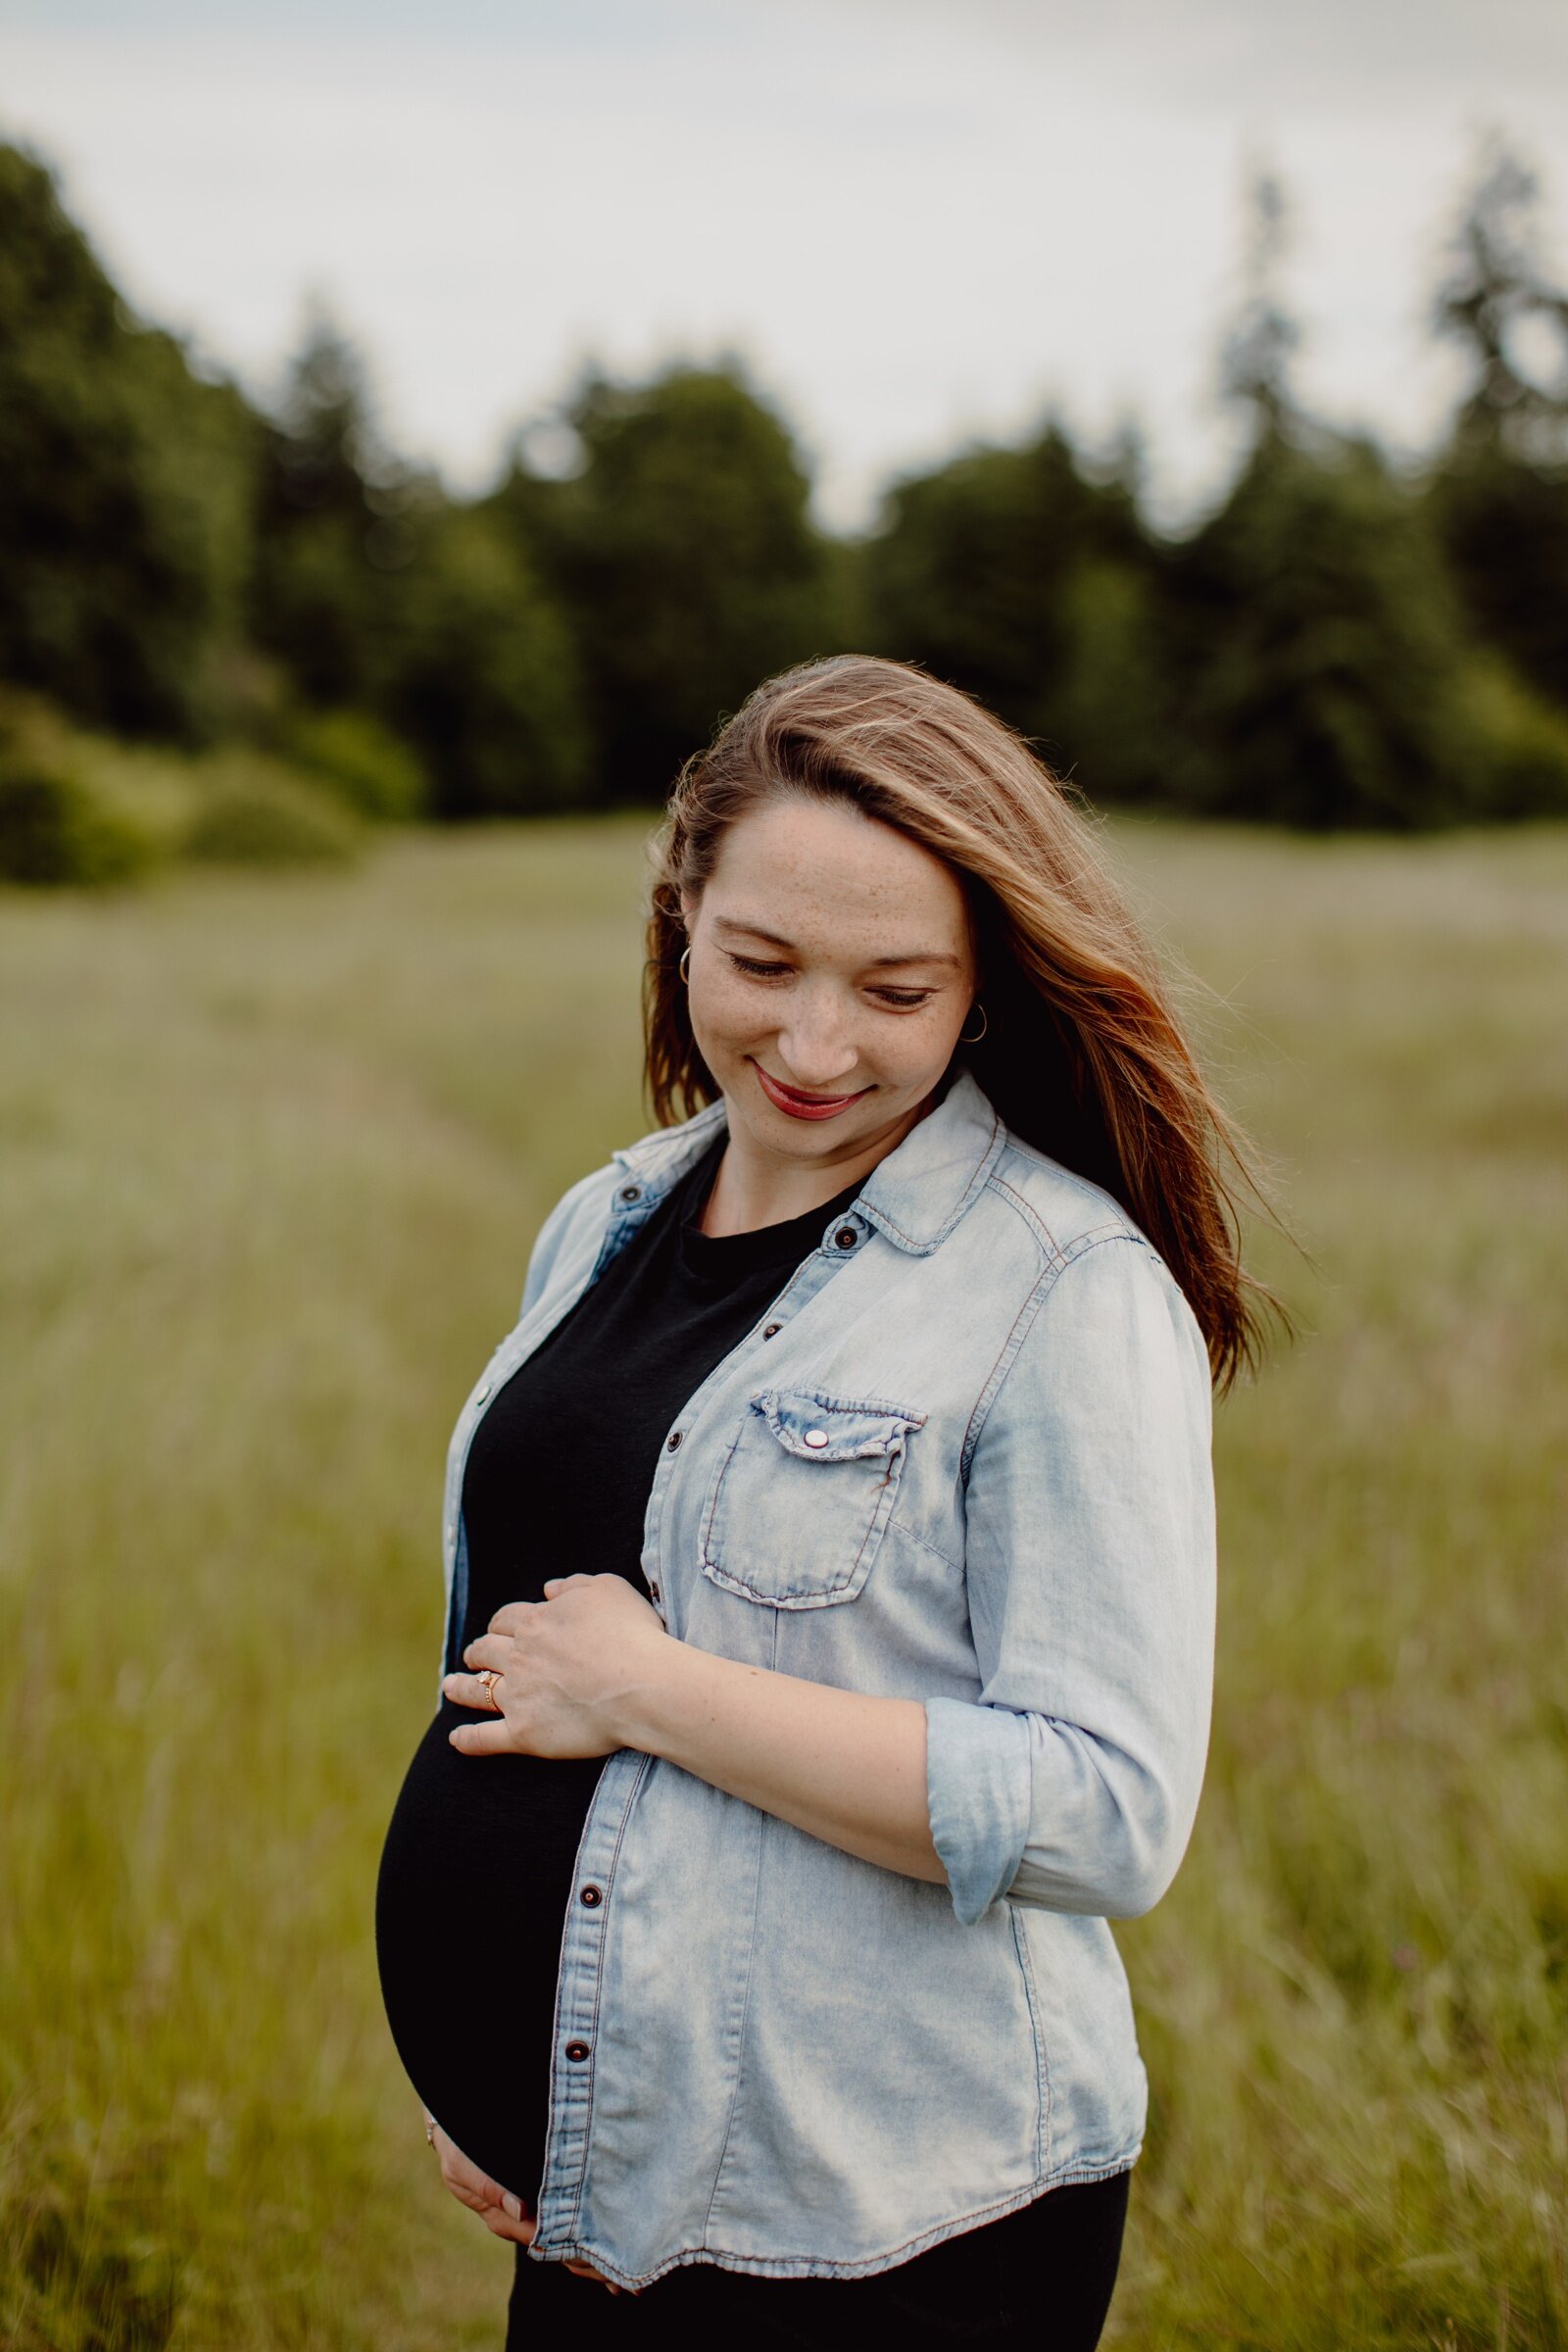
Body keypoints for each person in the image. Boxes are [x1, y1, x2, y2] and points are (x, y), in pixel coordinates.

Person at [374, 655, 1279, 2349]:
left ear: (981, 989)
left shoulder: (1061, 1290)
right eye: (762, 962)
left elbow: (1107, 1809)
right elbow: (506, 1678)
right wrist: (502, 2075)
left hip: (881, 2221)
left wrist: (657, 1692)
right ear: (682, 914)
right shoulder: (609, 1217)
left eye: (895, 988)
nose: (811, 1042)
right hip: (595, 2178)